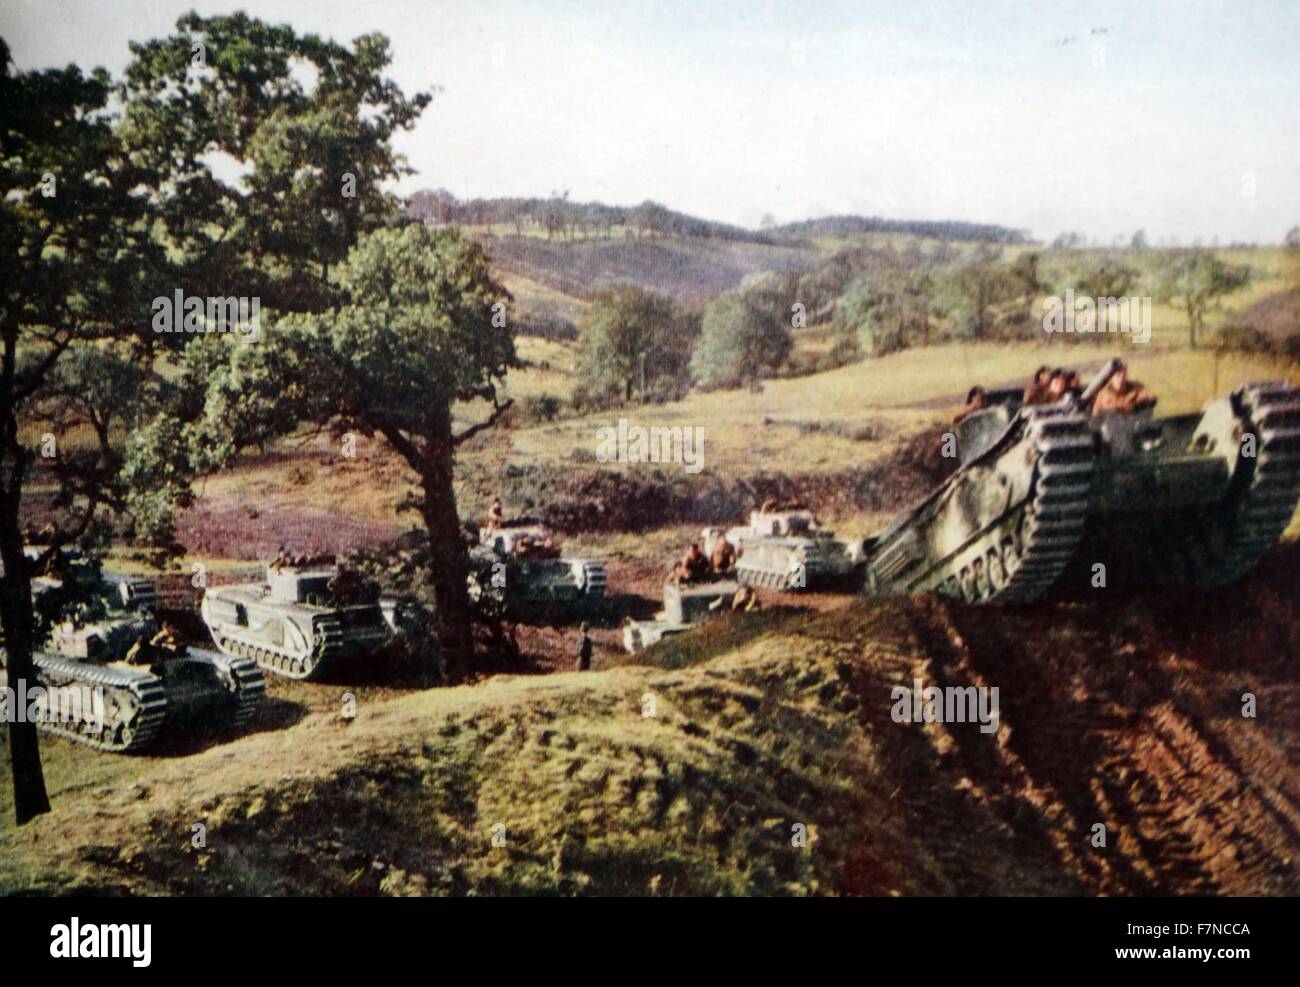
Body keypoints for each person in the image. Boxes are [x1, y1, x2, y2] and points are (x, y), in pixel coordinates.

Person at [1092, 363, 1157, 415]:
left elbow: (1152, 398)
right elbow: (1107, 408)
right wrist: (1128, 405)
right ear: (1110, 378)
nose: (1122, 378)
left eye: (1124, 374)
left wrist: (1140, 402)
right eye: (1118, 375)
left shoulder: (1135, 386)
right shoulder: (1104, 394)